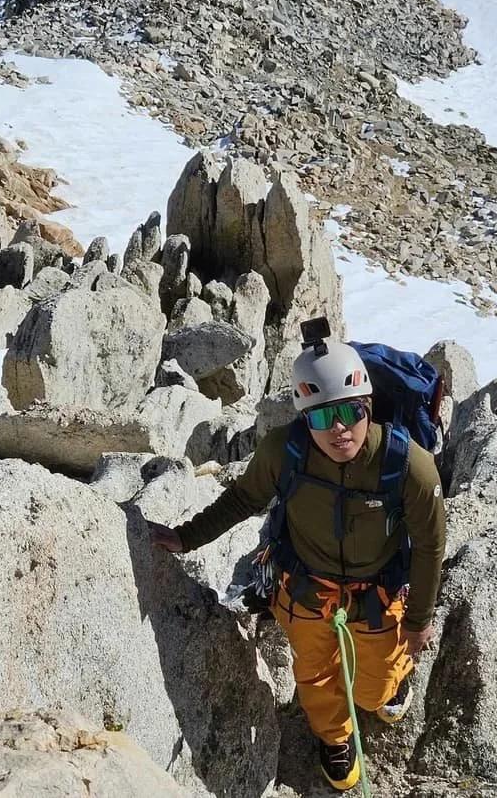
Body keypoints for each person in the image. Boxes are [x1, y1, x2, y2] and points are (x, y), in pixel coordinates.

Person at [148, 327, 446, 793]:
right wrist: (185, 539)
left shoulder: (409, 464)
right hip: (307, 589)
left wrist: (419, 619)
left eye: (351, 411)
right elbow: (242, 500)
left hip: (379, 593)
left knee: (374, 691)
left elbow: (429, 546)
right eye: (322, 417)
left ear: (367, 406)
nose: (339, 428)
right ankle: (335, 739)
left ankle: (394, 682)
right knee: (315, 676)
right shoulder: (283, 451)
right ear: (305, 418)